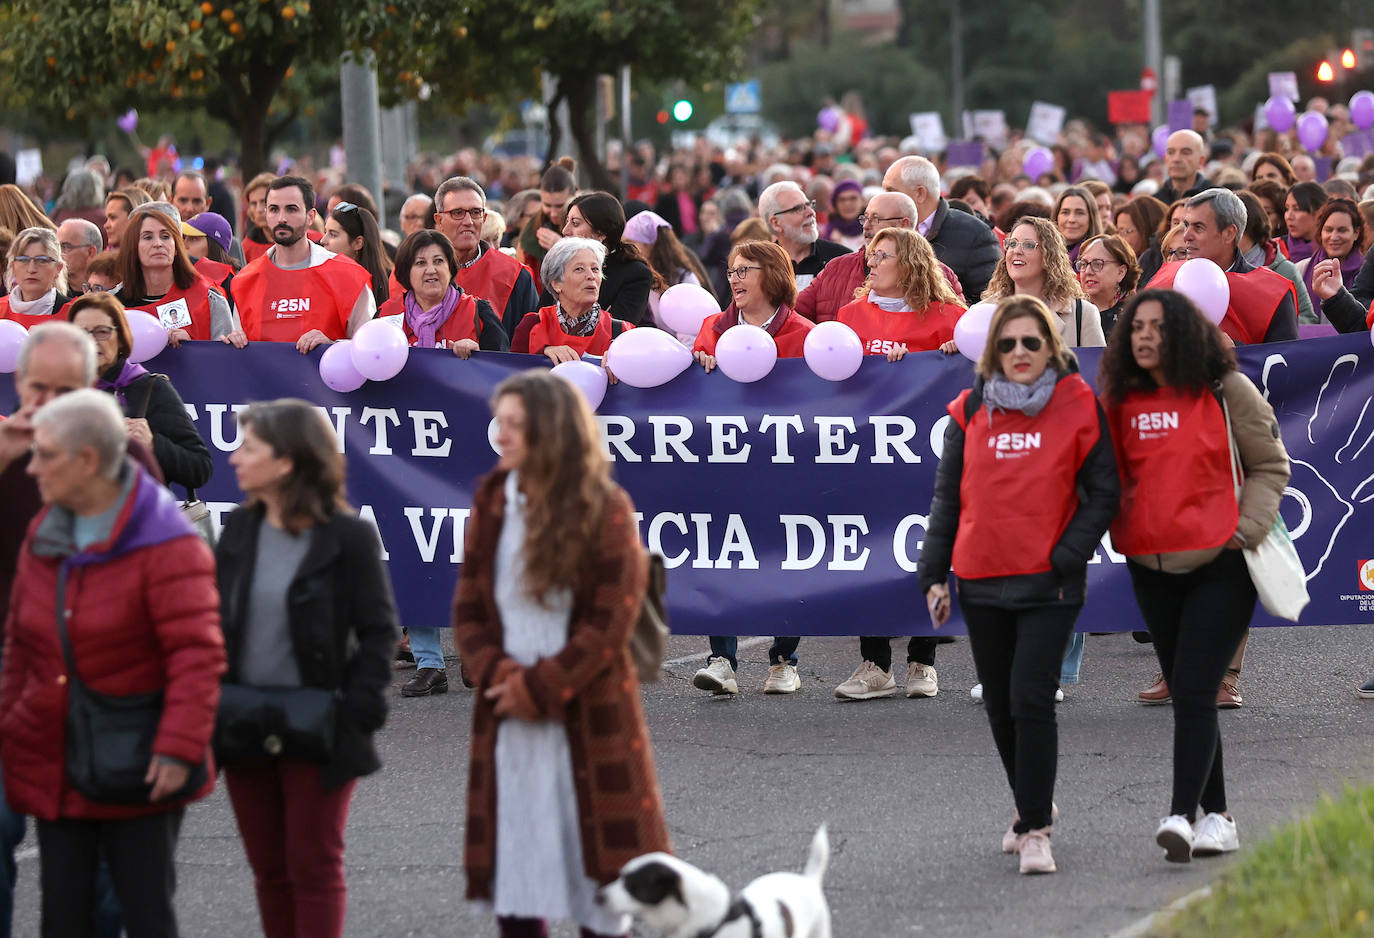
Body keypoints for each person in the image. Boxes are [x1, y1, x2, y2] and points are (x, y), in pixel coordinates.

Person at [0, 387, 224, 937]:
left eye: (46, 456)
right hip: (59, 758)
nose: (34, 468)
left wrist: (177, 747)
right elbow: (21, 648)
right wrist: (13, 724)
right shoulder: (44, 535)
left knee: (141, 914)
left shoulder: (165, 540)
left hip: (140, 765)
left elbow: (196, 655)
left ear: (87, 460)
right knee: (63, 917)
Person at [453, 370, 668, 938]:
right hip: (509, 713)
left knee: (600, 884)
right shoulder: (492, 498)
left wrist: (536, 688)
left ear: (552, 429)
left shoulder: (605, 505)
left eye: (516, 424)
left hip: (589, 708)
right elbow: (469, 608)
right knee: (518, 880)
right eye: (500, 421)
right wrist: (500, 674)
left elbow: (610, 621)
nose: (501, 434)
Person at [918, 295, 1120, 875]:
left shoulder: (1078, 402)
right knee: (1001, 704)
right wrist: (933, 574)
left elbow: (1104, 491)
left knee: (1031, 699)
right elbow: (947, 498)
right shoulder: (969, 409)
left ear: (1051, 347)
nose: (1020, 351)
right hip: (981, 576)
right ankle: (1032, 803)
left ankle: (1035, 830)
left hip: (1050, 581)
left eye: (1032, 341)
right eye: (1007, 343)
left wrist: (1068, 553)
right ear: (993, 351)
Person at [1099, 289, 1289, 863]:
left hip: (1222, 567)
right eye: (1136, 327)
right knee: (1190, 690)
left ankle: (1181, 815)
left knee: (1196, 690)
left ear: (1184, 332)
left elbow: (1270, 463)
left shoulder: (1225, 388)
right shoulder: (1120, 400)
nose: (1145, 335)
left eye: (1158, 326)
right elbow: (1099, 478)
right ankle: (1220, 819)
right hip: (1150, 567)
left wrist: (1245, 530)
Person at [215, 399, 398, 938]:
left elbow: (378, 631)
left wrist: (356, 714)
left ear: (287, 460)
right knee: (269, 869)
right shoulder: (239, 529)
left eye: (249, 448)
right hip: (244, 722)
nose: (234, 458)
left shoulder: (347, 535)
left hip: (321, 723)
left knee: (313, 866)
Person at [829, 228, 964, 702]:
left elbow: (969, 376)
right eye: (872, 256)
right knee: (871, 554)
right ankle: (876, 663)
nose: (871, 263)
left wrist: (946, 359)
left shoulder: (949, 317)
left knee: (927, 551)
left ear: (909, 263)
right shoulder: (849, 316)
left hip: (927, 460)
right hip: (868, 457)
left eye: (882, 256)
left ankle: (923, 661)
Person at [691, 240, 812, 696]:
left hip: (785, 467)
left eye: (745, 270)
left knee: (787, 559)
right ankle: (722, 659)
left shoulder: (803, 333)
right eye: (732, 271)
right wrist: (699, 362)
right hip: (725, 466)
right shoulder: (712, 327)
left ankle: (784, 660)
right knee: (722, 555)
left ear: (773, 275)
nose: (735, 279)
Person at [68, 292, 212, 492]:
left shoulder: (150, 388)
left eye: (102, 332)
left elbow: (200, 468)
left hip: (139, 509)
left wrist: (153, 444)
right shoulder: (63, 393)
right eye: (82, 333)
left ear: (121, 337)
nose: (92, 341)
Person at [225, 175, 375, 353]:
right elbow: (239, 353)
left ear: (311, 216)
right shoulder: (245, 281)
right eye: (274, 209)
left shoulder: (349, 276)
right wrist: (230, 344)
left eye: (291, 209)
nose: (281, 218)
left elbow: (370, 351)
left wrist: (332, 346)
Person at [1146, 188, 1300, 345]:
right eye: (1186, 226)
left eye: (1198, 227)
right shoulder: (1163, 280)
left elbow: (1284, 358)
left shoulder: (1273, 292)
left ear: (1229, 233)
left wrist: (1236, 350)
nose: (1186, 236)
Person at [794, 191, 964, 323]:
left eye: (875, 219)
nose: (866, 226)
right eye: (865, 218)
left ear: (903, 224)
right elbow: (793, 317)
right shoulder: (836, 268)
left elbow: (958, 327)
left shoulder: (939, 274)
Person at [112, 204, 237, 345]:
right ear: (133, 247)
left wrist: (192, 346)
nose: (158, 244)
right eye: (148, 237)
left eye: (165, 236)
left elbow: (223, 356)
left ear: (177, 246)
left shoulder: (209, 299)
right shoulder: (112, 304)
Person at [433, 176, 540, 338]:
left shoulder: (515, 275)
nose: (468, 221)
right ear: (439, 220)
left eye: (475, 212)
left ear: (483, 218)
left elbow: (530, 342)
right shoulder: (416, 272)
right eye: (458, 213)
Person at [883, 155, 1001, 301]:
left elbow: (988, 301)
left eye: (891, 191)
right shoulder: (885, 229)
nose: (884, 198)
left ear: (920, 193)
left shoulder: (975, 235)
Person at [376, 229, 508, 358]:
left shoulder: (478, 313)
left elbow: (502, 368)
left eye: (438, 261)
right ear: (406, 272)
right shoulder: (386, 315)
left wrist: (478, 356)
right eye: (421, 263)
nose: (431, 270)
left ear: (450, 267)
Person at [982, 216, 1106, 347]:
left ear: (1049, 256)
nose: (1016, 251)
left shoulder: (1083, 314)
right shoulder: (984, 311)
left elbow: (1095, 360)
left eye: (1029, 245)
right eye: (1012, 244)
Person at [512, 238, 633, 361]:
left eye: (595, 269)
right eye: (579, 269)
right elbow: (511, 370)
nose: (591, 276)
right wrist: (543, 354)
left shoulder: (622, 333)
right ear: (556, 283)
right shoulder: (532, 325)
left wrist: (619, 367)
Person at [547, 191, 657, 324]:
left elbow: (616, 328)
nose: (565, 231)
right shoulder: (560, 263)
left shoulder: (635, 274)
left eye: (575, 223)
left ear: (601, 233)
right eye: (566, 222)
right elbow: (540, 320)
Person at [621, 208, 717, 329]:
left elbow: (694, 326)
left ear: (651, 245)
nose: (625, 248)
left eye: (631, 242)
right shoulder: (635, 277)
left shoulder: (683, 279)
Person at [1235, 191, 1312, 325]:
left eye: (1234, 231)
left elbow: (1309, 319)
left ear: (1251, 229)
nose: (1227, 236)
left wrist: (1274, 321)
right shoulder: (1215, 268)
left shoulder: (1283, 269)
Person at [759, 180, 849, 291]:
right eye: (798, 209)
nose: (811, 212)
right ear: (776, 223)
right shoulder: (759, 267)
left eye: (809, 205)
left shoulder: (842, 260)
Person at [1295, 198, 1364, 319]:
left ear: (1356, 233)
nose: (1334, 237)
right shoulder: (1300, 270)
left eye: (1342, 230)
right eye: (1328, 230)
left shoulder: (1367, 275)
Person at [517, 158, 577, 294]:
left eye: (560, 206)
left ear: (574, 195)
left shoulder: (588, 220)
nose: (554, 213)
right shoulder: (531, 231)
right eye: (547, 205)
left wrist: (562, 249)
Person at [321, 200, 391, 309]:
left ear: (358, 243)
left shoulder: (389, 284)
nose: (323, 240)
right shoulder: (320, 277)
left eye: (333, 234)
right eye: (325, 232)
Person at [0, 227, 73, 327]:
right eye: (23, 260)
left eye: (42, 260)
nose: (31, 269)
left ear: (58, 268)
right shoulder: (1, 309)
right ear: (13, 267)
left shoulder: (74, 313)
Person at [1075, 234, 1139, 336]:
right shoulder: (1070, 309)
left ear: (1121, 272)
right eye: (1084, 264)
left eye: (1097, 264)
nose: (1088, 271)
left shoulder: (1136, 314)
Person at [1156, 131, 1213, 204]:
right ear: (1165, 159)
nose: (1176, 159)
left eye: (1185, 153)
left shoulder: (1216, 201)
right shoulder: (1154, 203)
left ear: (1201, 161)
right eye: (1170, 152)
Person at [1053, 185, 1104, 266]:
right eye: (1065, 212)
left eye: (1080, 213)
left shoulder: (1103, 258)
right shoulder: (1043, 256)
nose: (1071, 219)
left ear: (1091, 218)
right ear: (1056, 216)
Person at [1283, 181, 1328, 264]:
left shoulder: (1333, 248)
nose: (1289, 216)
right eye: (1287, 209)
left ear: (1319, 212)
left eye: (1296, 209)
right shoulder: (1278, 249)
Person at [58, 218, 104, 294]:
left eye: (65, 247)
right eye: (57, 247)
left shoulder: (111, 292)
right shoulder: (50, 293)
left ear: (90, 252)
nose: (58, 253)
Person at [241, 172, 277, 262]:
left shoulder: (304, 240)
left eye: (264, 202)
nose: (259, 209)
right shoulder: (246, 248)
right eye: (253, 203)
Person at [821, 179, 866, 251]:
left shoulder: (873, 229)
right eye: (842, 200)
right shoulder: (829, 234)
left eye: (853, 198)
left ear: (863, 201)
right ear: (835, 205)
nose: (847, 204)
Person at [102, 186, 149, 253]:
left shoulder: (156, 256)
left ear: (134, 219)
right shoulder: (104, 258)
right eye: (107, 218)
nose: (106, 225)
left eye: (113, 218)